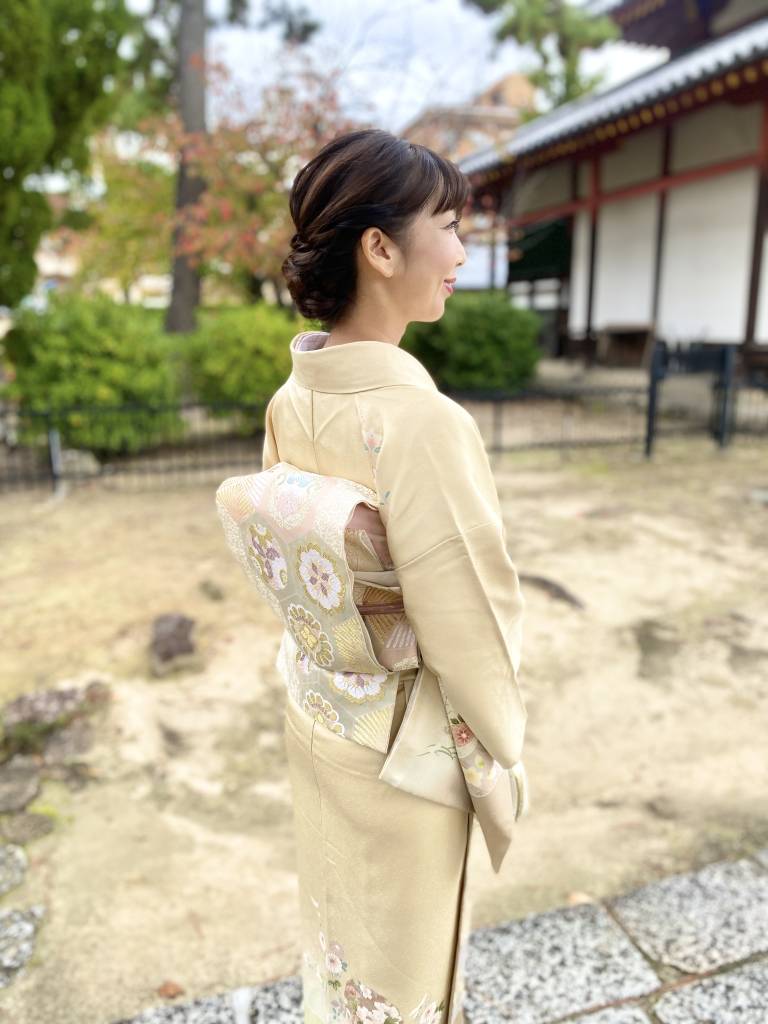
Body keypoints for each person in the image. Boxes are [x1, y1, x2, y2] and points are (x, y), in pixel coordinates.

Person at [257, 128, 528, 1024]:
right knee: (405, 988)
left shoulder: (294, 396)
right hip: (404, 755)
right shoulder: (421, 423)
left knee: (340, 950)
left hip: (320, 712)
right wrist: (504, 750)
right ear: (379, 248)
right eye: (448, 227)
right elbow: (470, 620)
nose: (460, 254)